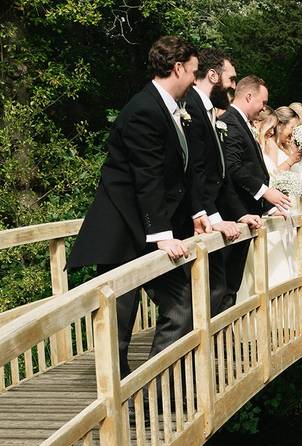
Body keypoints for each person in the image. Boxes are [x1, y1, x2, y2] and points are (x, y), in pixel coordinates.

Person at [66, 36, 199, 378]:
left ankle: (155, 383)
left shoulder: (167, 108)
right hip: (124, 230)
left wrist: (195, 217)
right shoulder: (144, 109)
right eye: (194, 72)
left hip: (151, 229)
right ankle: (116, 394)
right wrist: (162, 234)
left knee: (182, 305)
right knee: (119, 324)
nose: (195, 80)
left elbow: (176, 176)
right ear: (178, 67)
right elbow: (148, 177)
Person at [217, 75, 289, 306]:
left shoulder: (241, 122)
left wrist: (268, 208)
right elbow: (233, 168)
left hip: (248, 212)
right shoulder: (229, 122)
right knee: (225, 286)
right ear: (249, 96)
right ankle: (220, 340)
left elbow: (252, 167)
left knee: (232, 285)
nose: (264, 108)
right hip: (233, 214)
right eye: (263, 102)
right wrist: (265, 191)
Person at [184, 47, 242, 315]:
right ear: (212, 76)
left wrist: (238, 216)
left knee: (217, 286)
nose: (233, 87)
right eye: (231, 80)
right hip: (194, 218)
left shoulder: (208, 110)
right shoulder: (193, 108)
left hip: (210, 212)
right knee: (213, 289)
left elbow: (219, 174)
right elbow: (194, 171)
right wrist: (214, 218)